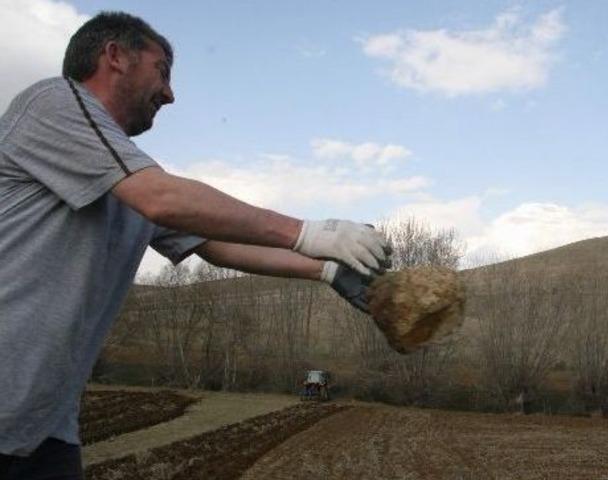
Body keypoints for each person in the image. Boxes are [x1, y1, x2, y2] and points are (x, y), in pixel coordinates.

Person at [0, 11, 390, 479]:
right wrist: (312, 232)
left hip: (44, 428)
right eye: (162, 71)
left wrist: (324, 269)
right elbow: (162, 198)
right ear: (115, 56)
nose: (170, 93)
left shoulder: (126, 175)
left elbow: (216, 244)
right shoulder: (53, 102)